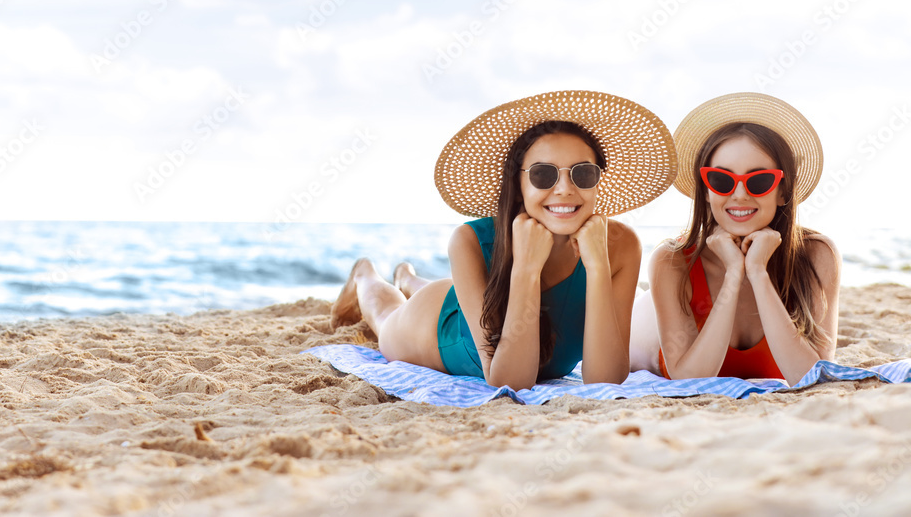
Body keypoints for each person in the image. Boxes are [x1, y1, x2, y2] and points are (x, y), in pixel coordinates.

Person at [330, 90, 677, 390]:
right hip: (437, 325)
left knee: (447, 288)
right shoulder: (468, 240)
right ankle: (366, 274)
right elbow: (508, 379)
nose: (565, 188)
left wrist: (598, 267)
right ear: (519, 182)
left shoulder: (621, 245)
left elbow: (604, 381)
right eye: (543, 174)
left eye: (583, 173)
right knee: (385, 313)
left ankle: (408, 277)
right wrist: (527, 267)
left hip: (477, 296)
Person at [629, 93, 842, 386]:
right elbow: (691, 379)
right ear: (705, 190)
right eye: (721, 179)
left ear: (782, 191)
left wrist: (757, 272)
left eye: (759, 180)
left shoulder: (818, 256)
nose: (739, 194)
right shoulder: (673, 259)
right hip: (638, 327)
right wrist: (733, 273)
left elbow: (813, 377)